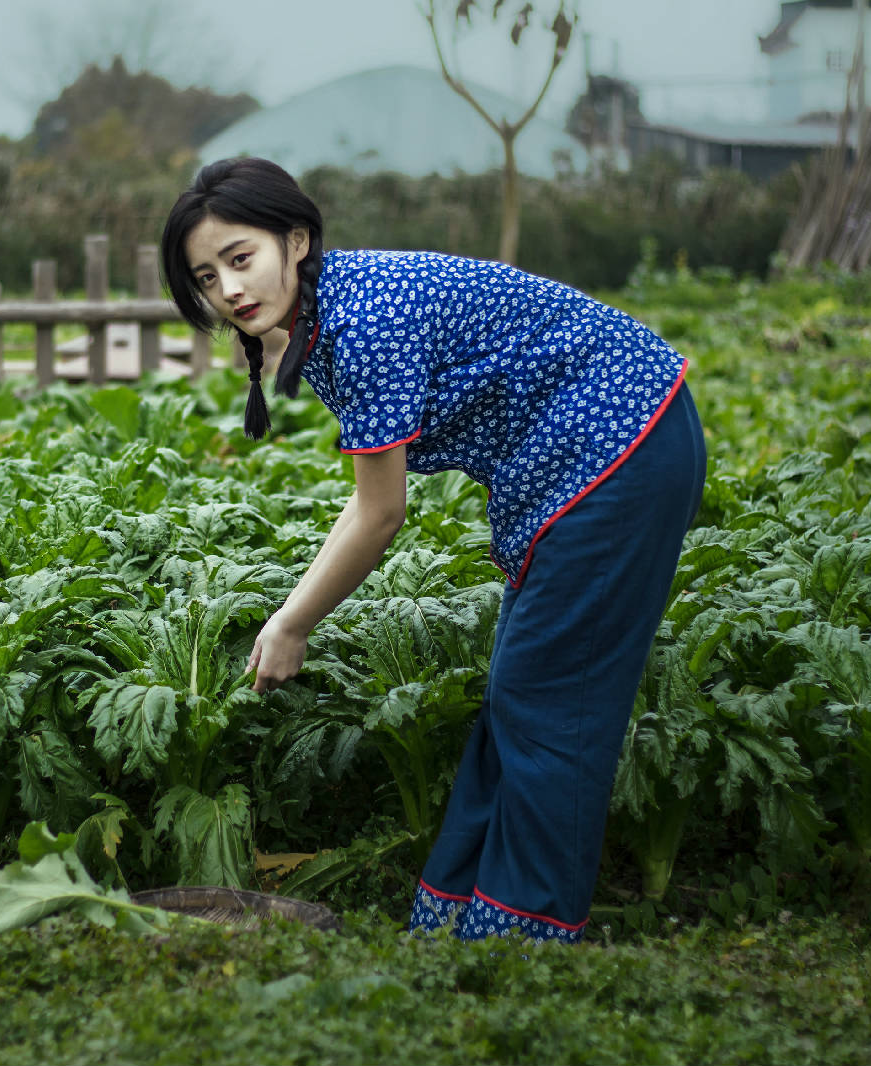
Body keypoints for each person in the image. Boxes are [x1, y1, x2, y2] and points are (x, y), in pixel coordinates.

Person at [159, 157, 706, 945]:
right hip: (589, 455)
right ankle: (462, 916)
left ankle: (526, 933)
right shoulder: (333, 310)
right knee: (522, 692)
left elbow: (379, 514)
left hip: (619, 447)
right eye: (207, 278)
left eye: (240, 259)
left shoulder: (363, 322)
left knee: (554, 704)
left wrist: (290, 623)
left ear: (298, 240)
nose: (229, 290)